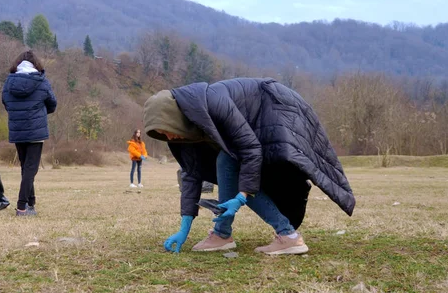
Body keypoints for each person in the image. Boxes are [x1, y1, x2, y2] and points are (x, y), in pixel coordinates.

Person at [143, 78, 355, 254]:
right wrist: (185, 225)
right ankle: (224, 234)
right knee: (226, 161)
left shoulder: (213, 103)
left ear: (173, 116)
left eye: (166, 129)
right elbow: (191, 172)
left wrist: (242, 195)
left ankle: (283, 235)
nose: (168, 136)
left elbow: (250, 148)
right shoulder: (185, 129)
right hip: (253, 131)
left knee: (228, 162)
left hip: (277, 110)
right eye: (162, 135)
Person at [2, 50, 57, 216]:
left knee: (25, 168)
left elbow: (6, 102)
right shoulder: (41, 81)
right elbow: (52, 104)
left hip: (17, 131)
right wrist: (38, 112)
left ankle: (31, 203)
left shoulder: (9, 82)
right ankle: (22, 207)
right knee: (30, 170)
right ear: (36, 64)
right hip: (36, 131)